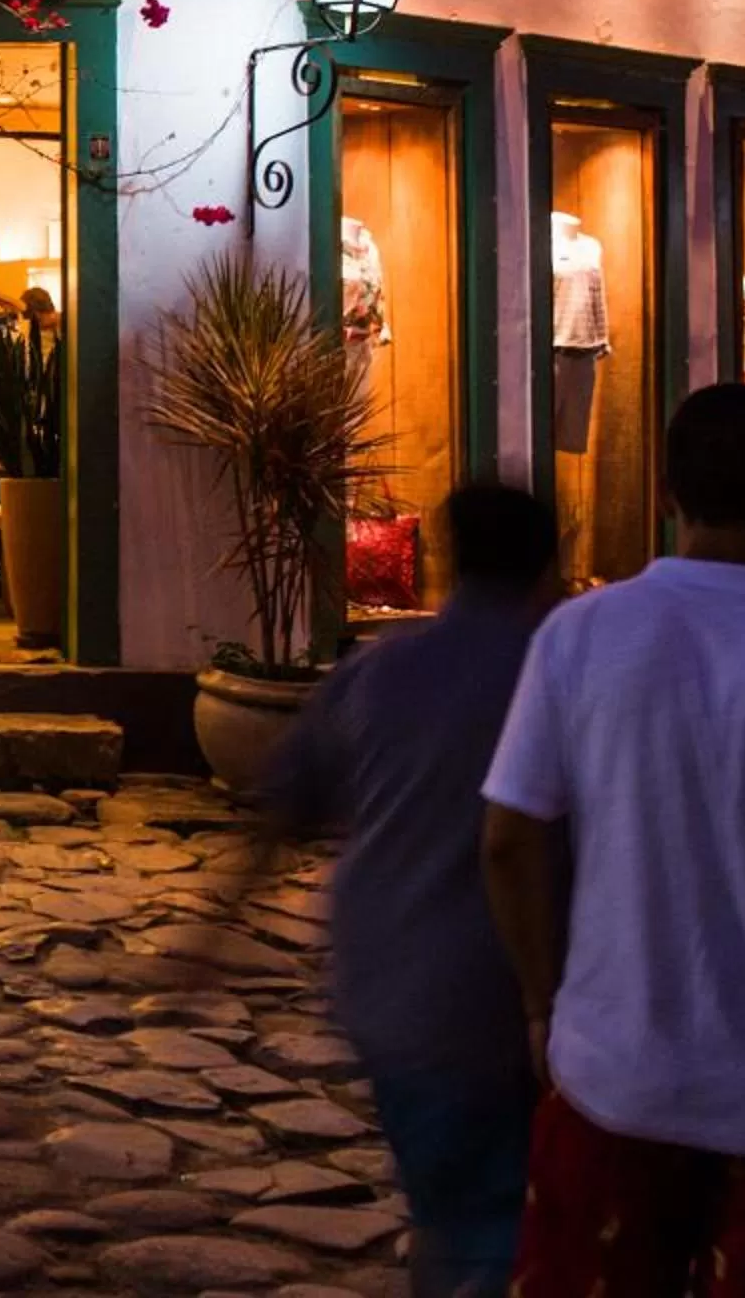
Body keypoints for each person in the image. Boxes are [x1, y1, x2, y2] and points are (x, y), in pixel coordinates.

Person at [484, 382, 745, 1297]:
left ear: (665, 496)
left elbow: (509, 837)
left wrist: (545, 1002)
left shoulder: (580, 636)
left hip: (614, 1077)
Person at [261, 483, 557, 1296]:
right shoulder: (555, 674)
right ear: (549, 567)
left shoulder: (380, 670)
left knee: (453, 1207)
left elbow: (286, 797)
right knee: (495, 1214)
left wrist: (210, 931)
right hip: (505, 991)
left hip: (389, 984)